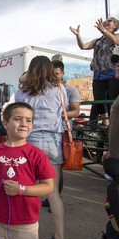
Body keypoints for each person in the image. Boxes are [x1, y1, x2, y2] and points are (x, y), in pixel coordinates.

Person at [0, 102, 55, 239]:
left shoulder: (37, 155)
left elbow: (48, 187)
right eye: (18, 119)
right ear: (5, 123)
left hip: (25, 224)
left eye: (28, 120)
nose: (24, 123)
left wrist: (22, 189)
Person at [15, 55, 69, 239]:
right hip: (54, 141)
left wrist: (27, 75)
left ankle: (25, 235)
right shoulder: (60, 90)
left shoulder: (23, 93)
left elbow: (21, 82)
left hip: (32, 142)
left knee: (29, 189)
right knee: (52, 192)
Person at [87, 51, 119, 239]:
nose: (118, 65)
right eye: (117, 62)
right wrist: (111, 149)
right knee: (116, 201)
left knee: (118, 203)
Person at [70, 17, 119, 126]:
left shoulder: (118, 36)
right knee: (98, 100)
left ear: (115, 26)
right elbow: (83, 46)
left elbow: (115, 41)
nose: (106, 22)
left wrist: (103, 30)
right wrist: (78, 36)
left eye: (110, 21)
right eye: (106, 21)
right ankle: (105, 121)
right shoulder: (98, 40)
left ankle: (115, 121)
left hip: (112, 73)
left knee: (113, 99)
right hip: (98, 74)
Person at [42, 60, 81, 208]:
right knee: (49, 166)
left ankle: (56, 198)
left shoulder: (71, 90)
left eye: (57, 73)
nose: (54, 76)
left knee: (58, 168)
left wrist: (57, 115)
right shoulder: (46, 89)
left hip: (64, 131)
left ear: (63, 73)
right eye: (51, 73)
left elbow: (76, 111)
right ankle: (51, 197)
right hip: (49, 131)